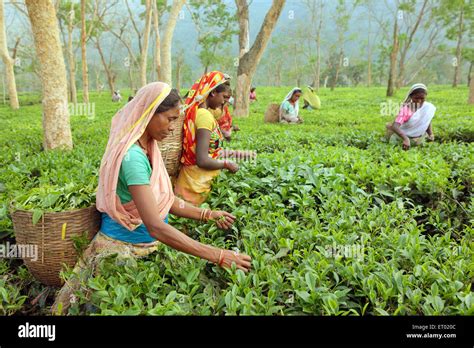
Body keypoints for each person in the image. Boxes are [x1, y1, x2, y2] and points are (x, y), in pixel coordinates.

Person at [174, 71, 239, 206]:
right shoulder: (204, 115)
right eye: (224, 96)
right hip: (195, 187)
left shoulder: (200, 113)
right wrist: (226, 164)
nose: (225, 101)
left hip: (193, 181)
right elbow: (202, 160)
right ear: (213, 92)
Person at [385, 83, 436, 150]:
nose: (419, 101)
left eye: (422, 98)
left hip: (419, 139)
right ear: (411, 96)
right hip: (401, 140)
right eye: (416, 98)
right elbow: (395, 126)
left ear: (426, 96)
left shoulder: (427, 107)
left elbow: (427, 121)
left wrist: (431, 134)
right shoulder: (406, 110)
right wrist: (406, 139)